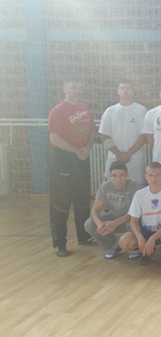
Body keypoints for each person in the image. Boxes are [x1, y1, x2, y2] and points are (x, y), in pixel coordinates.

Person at [48, 78, 97, 257]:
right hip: (64, 159)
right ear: (65, 89)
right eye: (73, 87)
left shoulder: (85, 108)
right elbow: (55, 138)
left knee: (82, 200)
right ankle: (59, 243)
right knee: (61, 203)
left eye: (79, 87)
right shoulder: (57, 110)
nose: (77, 90)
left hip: (82, 157)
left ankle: (84, 236)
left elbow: (92, 131)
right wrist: (75, 150)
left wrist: (87, 147)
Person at [119, 162, 161, 265]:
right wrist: (140, 238)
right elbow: (133, 221)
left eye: (157, 175)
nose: (154, 179)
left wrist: (153, 238)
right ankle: (145, 251)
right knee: (124, 241)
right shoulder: (139, 194)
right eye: (150, 175)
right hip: (146, 231)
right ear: (146, 177)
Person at [84, 161, 141, 259]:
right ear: (110, 176)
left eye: (122, 175)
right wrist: (99, 224)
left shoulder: (135, 186)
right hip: (116, 217)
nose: (118, 180)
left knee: (134, 227)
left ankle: (136, 247)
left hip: (133, 220)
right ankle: (113, 247)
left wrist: (115, 223)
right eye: (114, 176)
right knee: (89, 224)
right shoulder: (105, 187)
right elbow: (95, 209)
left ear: (127, 175)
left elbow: (136, 213)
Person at [98, 81, 147, 184]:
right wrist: (118, 154)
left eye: (128, 88)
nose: (125, 91)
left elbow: (143, 136)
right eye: (122, 88)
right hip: (114, 158)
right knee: (112, 187)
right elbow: (104, 136)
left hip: (135, 159)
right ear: (118, 91)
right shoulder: (110, 111)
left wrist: (128, 154)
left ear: (133, 91)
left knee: (136, 187)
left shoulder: (141, 110)